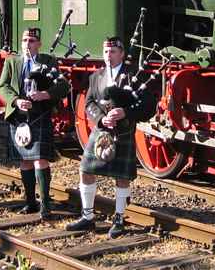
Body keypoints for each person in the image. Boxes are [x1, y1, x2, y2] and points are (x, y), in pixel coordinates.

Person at [66, 36, 154, 238]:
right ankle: (87, 217)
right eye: (106, 52)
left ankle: (119, 219)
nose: (109, 55)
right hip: (101, 132)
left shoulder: (134, 75)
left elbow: (149, 105)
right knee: (85, 170)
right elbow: (89, 104)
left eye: (113, 52)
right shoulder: (96, 76)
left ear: (122, 54)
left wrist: (126, 112)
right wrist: (100, 119)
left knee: (121, 178)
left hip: (122, 133)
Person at [0, 28, 69, 219]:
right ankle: (30, 202)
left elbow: (63, 85)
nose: (27, 44)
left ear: (39, 44)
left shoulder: (48, 61)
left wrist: (45, 94)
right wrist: (15, 100)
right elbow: (2, 86)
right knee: (25, 161)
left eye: (31, 40)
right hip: (18, 116)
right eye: (24, 40)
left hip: (39, 114)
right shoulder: (12, 61)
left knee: (40, 160)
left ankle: (45, 206)